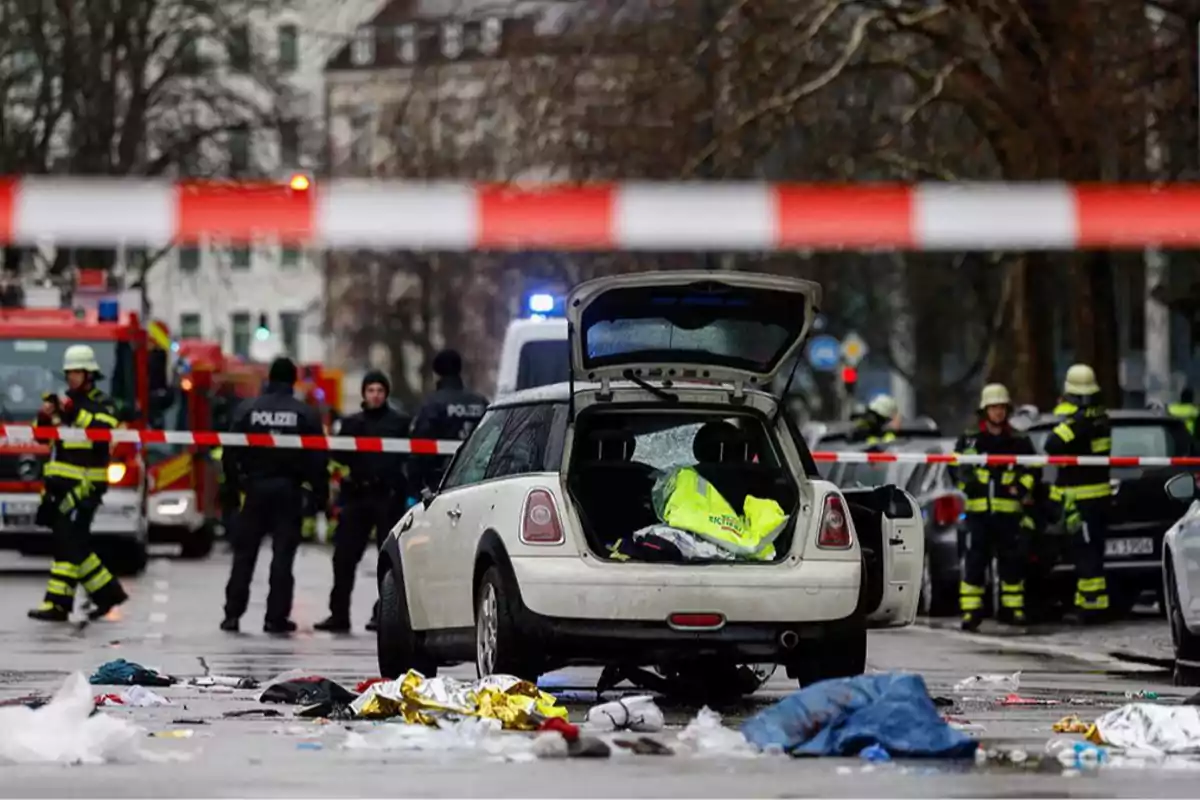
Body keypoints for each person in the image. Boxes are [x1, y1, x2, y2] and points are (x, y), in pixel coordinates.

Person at [220, 357, 327, 634]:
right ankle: (275, 618)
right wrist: (319, 495)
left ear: (269, 378)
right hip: (288, 492)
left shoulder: (247, 410)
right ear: (293, 380)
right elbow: (317, 459)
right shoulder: (304, 413)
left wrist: (235, 485)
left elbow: (230, 452)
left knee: (244, 556)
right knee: (282, 558)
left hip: (254, 490)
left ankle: (232, 614)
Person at [27, 345, 130, 622]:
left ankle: (59, 604)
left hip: (85, 487)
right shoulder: (64, 401)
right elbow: (42, 438)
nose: (72, 377)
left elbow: (102, 429)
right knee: (72, 545)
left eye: (77, 372)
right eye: (69, 372)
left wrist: (72, 410)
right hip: (58, 485)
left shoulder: (103, 403)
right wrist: (46, 415)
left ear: (89, 374)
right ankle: (107, 595)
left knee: (68, 543)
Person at [315, 371, 412, 633]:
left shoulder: (400, 423)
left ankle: (385, 613)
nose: (375, 395)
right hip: (357, 495)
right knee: (344, 557)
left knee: (389, 559)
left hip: (387, 497)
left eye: (380, 390)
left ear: (386, 393)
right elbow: (338, 457)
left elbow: (412, 458)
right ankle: (338, 615)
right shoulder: (351, 423)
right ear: (364, 393)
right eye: (371, 390)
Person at [953, 383, 1038, 630]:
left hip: (1008, 514)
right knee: (974, 564)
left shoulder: (1018, 440)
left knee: (1012, 562)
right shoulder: (970, 440)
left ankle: (1013, 609)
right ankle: (971, 612)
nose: (998, 412)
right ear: (985, 410)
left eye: (1002, 407)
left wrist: (1020, 488)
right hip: (978, 514)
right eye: (994, 407)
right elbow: (956, 467)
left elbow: (1033, 469)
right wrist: (969, 483)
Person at [1043, 363, 1112, 623]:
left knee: (1087, 555)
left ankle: (1092, 607)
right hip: (1097, 499)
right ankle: (1087, 603)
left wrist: (1070, 422)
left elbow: (1052, 444)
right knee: (1089, 552)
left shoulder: (1082, 424)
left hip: (1085, 500)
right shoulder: (1101, 421)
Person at [410, 350, 489, 492]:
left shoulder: (432, 404)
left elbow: (419, 446)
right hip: (478, 478)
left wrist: (416, 484)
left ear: (436, 373)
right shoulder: (480, 402)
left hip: (441, 481)